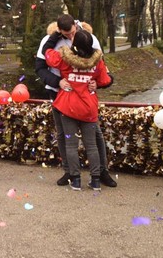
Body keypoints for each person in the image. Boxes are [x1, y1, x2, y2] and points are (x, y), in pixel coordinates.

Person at [35, 15, 117, 187]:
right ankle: (73, 173)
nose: (71, 37)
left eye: (73, 33)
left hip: (75, 98)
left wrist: (97, 84)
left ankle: (98, 172)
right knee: (65, 136)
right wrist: (57, 82)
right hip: (61, 93)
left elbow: (101, 67)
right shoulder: (49, 41)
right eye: (67, 34)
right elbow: (40, 67)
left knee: (93, 137)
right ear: (59, 30)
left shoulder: (86, 40)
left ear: (76, 27)